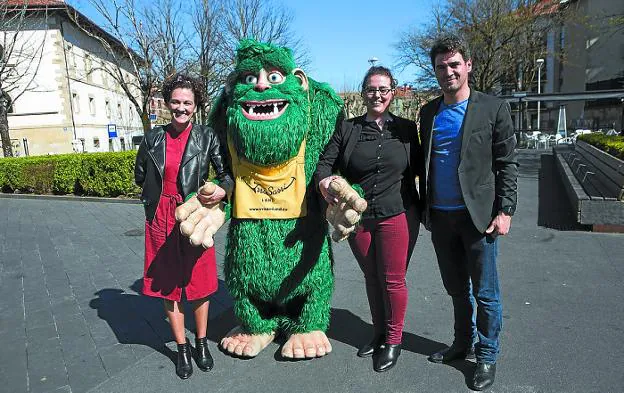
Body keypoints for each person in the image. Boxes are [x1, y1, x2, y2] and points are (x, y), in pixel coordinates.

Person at [419, 34, 518, 390]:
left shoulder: (492, 108)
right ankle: (462, 343)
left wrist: (505, 210)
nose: (448, 71)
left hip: (479, 219)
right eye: (441, 66)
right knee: (456, 290)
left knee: (486, 293)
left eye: (454, 64)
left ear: (468, 66)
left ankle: (487, 356)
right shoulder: (428, 112)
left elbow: (507, 164)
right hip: (441, 219)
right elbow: (425, 162)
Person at [315, 66, 423, 372]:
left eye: (384, 89)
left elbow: (420, 169)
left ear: (392, 93)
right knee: (371, 277)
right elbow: (325, 163)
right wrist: (325, 183)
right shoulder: (347, 128)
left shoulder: (404, 129)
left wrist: (428, 207)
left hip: (396, 214)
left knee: (392, 279)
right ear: (364, 92)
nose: (377, 94)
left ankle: (393, 339)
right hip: (358, 219)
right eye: (372, 89)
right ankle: (377, 332)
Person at [134, 73, 233, 379]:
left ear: (195, 106)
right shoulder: (152, 138)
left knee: (200, 284)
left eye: (187, 103)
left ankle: (201, 342)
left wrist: (222, 189)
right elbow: (140, 175)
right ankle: (182, 348)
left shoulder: (207, 137)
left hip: (195, 215)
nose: (180, 107)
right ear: (167, 103)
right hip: (160, 217)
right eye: (175, 102)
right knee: (169, 288)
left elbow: (227, 173)